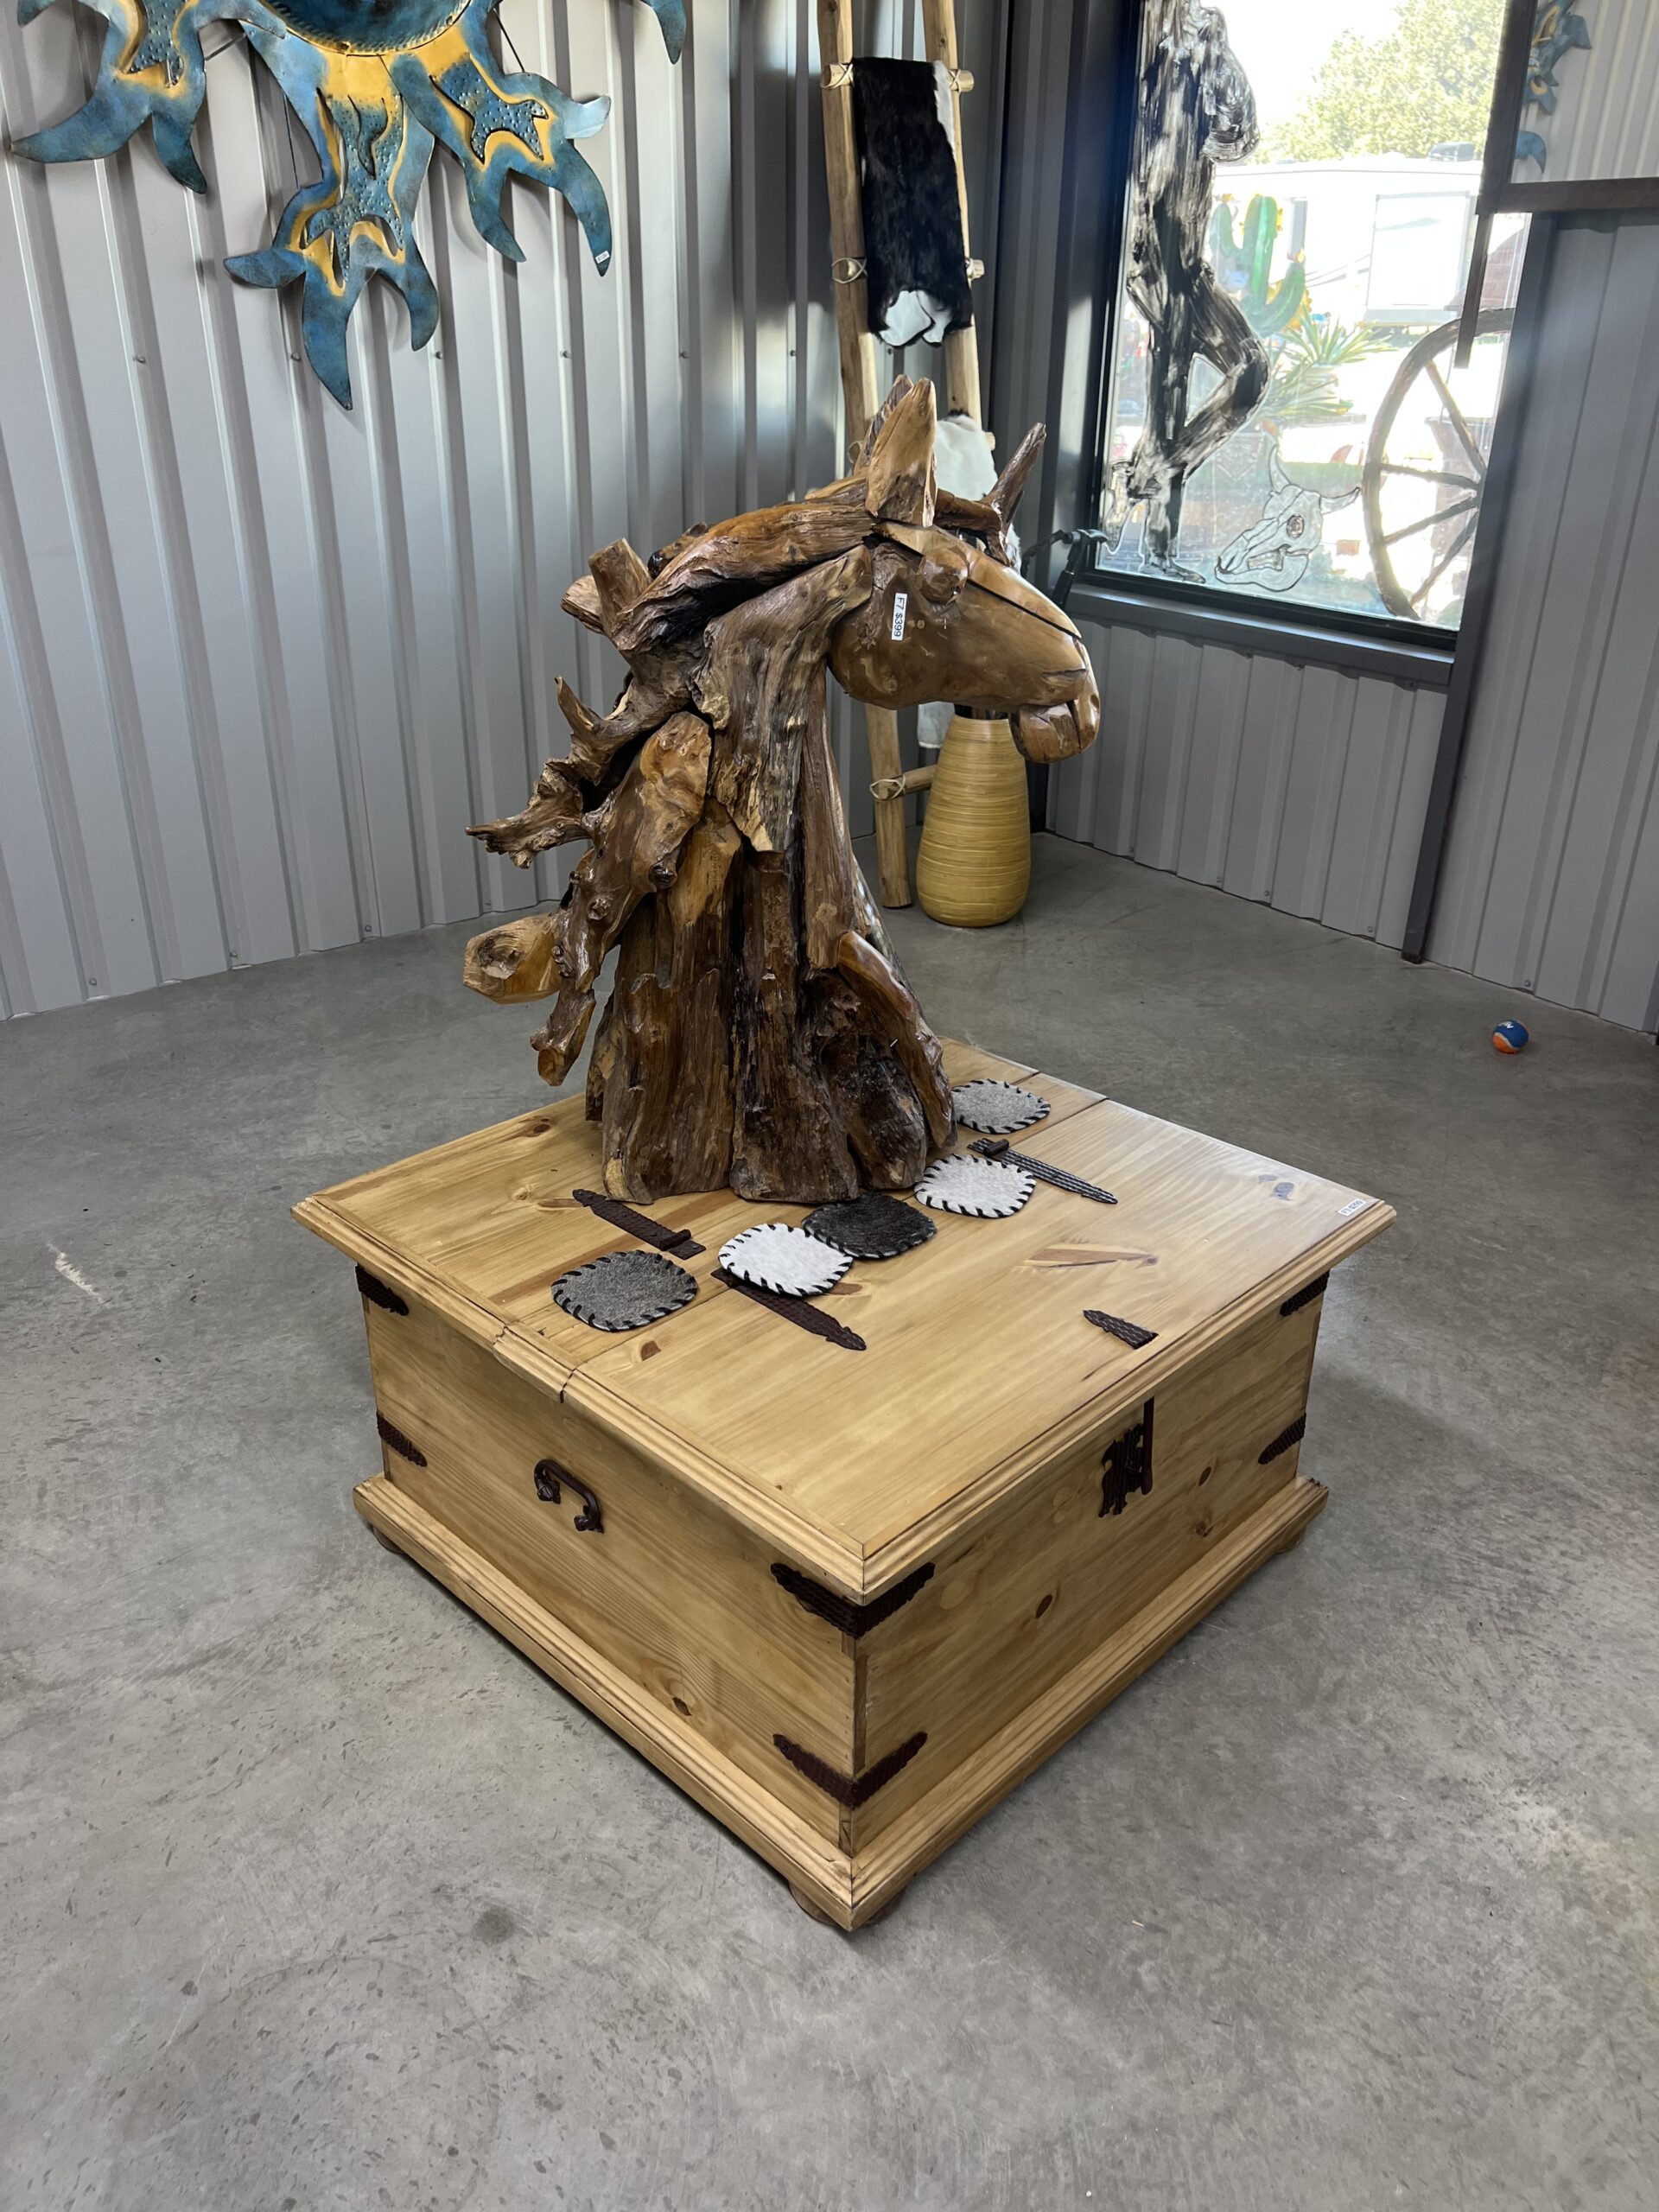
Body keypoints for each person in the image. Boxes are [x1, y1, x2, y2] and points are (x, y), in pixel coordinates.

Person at [1104, 1, 1268, 578]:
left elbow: (1238, 135)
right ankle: (1157, 545)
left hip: (1186, 261)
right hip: (1152, 255)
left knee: (1246, 371)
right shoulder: (1150, 46)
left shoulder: (1202, 43)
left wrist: (1215, 51)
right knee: (1171, 394)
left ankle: (1143, 483)